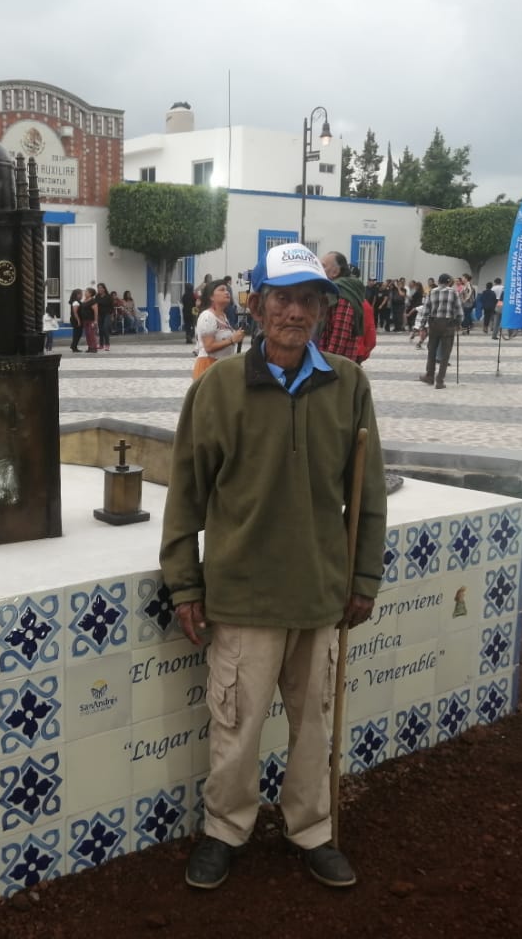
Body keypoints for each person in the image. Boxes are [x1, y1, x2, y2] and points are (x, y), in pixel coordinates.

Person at [160, 241, 386, 892]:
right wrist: (184, 582)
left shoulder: (348, 383)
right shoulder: (219, 385)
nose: (296, 311)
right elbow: (186, 493)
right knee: (237, 725)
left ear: (321, 308)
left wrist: (363, 578)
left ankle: (311, 828)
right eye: (283, 298)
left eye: (309, 299)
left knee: (314, 723)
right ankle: (225, 828)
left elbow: (367, 494)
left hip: (321, 593)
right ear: (257, 307)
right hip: (243, 595)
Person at [317, 251, 367, 362]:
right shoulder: (333, 291)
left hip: (337, 364)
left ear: (335, 272)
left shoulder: (342, 292)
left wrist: (328, 363)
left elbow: (340, 333)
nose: (319, 269)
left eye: (323, 266)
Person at [192, 280, 244, 380]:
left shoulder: (223, 316)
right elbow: (209, 347)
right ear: (211, 297)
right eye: (222, 290)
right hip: (208, 367)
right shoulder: (207, 316)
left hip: (221, 367)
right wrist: (232, 340)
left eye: (227, 290)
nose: (227, 292)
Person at [418, 272, 460, 389]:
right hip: (448, 325)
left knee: (432, 351)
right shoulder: (454, 292)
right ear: (448, 282)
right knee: (445, 354)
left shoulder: (432, 292)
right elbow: (459, 311)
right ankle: (440, 381)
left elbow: (425, 311)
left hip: (434, 324)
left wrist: (422, 327)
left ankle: (429, 376)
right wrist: (458, 323)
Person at [78, 287, 99, 353]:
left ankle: (94, 348)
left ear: (90, 293)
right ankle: (90, 347)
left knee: (91, 334)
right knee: (87, 334)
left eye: (86, 292)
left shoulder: (93, 301)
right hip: (85, 320)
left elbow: (96, 311)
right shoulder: (84, 300)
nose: (85, 293)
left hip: (91, 320)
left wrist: (95, 320)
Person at [95, 282, 114, 350]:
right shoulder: (97, 296)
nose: (99, 289)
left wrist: (112, 316)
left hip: (107, 314)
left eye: (101, 288)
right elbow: (96, 306)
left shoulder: (108, 297)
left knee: (105, 328)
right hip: (100, 315)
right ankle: (101, 344)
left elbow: (112, 307)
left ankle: (107, 344)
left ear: (104, 289)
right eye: (98, 288)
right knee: (101, 330)